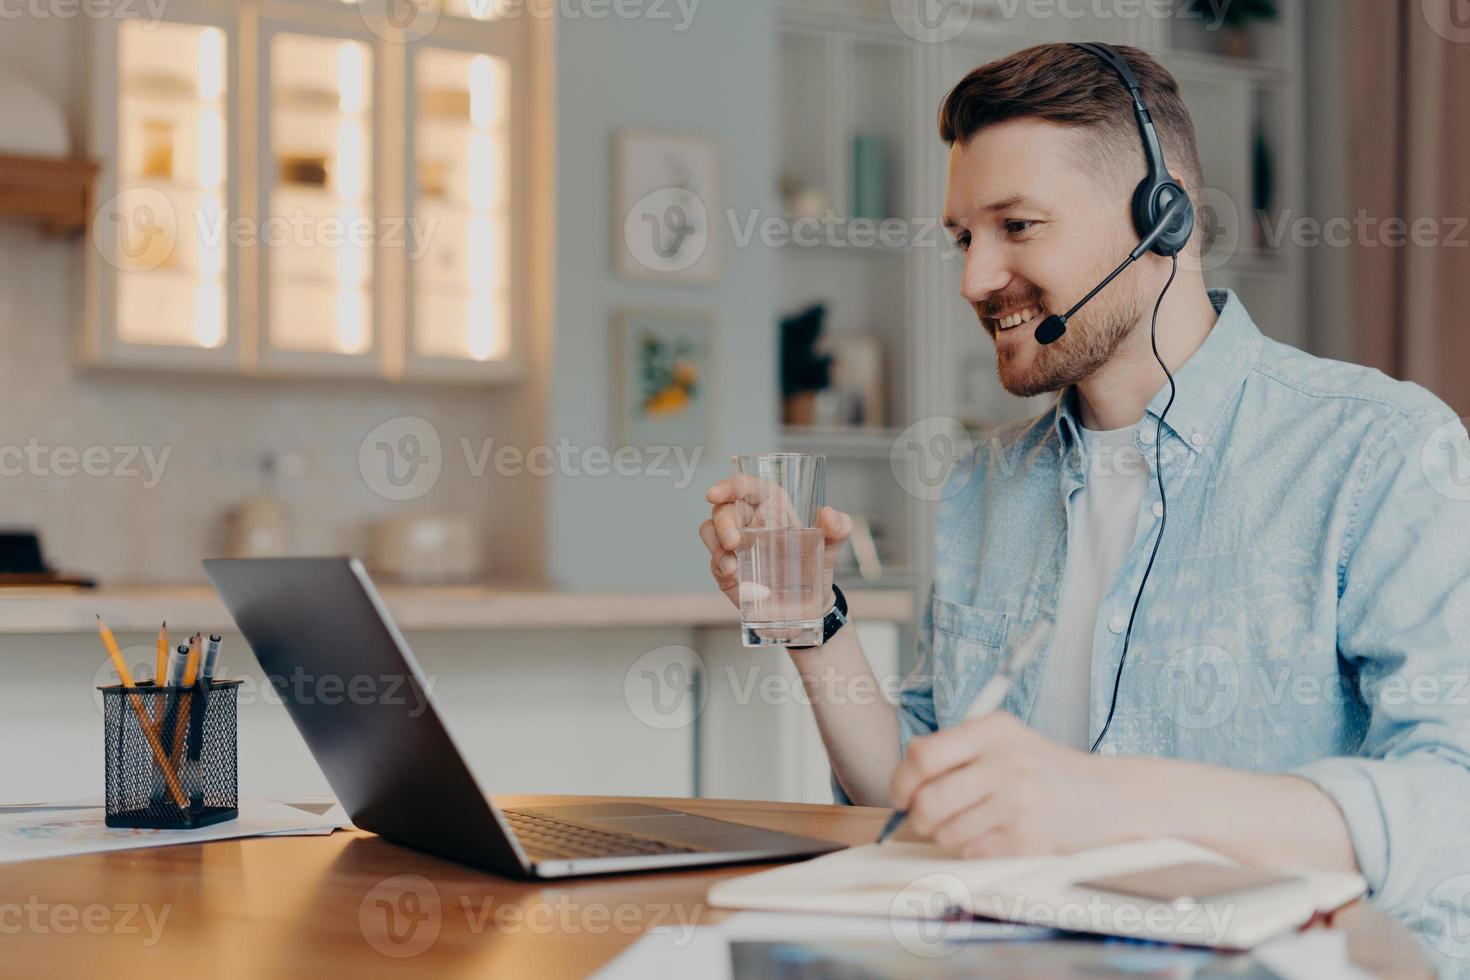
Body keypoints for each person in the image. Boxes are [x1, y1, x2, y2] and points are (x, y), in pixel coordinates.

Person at [699, 43, 1470, 954]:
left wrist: (1107, 801)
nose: (974, 279)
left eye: (1017, 226)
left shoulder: (1378, 449)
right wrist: (808, 626)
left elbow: (1450, 801)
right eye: (962, 237)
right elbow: (922, 802)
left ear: (1163, 216)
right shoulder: (986, 486)